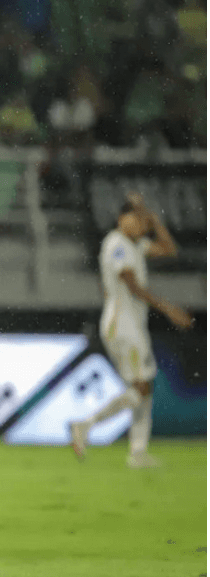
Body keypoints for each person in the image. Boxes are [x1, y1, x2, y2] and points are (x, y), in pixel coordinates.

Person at [69, 193, 193, 468]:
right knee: (140, 386)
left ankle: (137, 451)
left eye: (141, 222)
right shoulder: (117, 244)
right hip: (121, 325)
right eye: (135, 220)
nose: (140, 226)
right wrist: (168, 308)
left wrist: (155, 220)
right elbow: (132, 285)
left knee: (143, 388)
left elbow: (170, 248)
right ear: (121, 220)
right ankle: (87, 424)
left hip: (132, 325)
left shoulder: (135, 245)